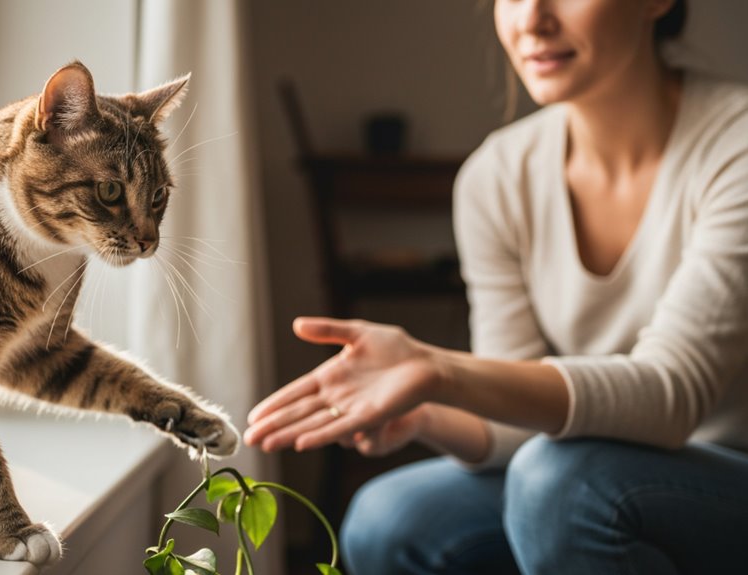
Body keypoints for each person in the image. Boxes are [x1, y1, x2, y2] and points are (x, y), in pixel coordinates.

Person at [244, 0, 748, 573]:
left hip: (729, 473)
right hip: (587, 469)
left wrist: (441, 369)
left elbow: (670, 395)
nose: (531, 18)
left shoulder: (736, 146)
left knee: (562, 483)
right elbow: (523, 422)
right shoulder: (497, 175)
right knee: (390, 517)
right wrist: (424, 410)